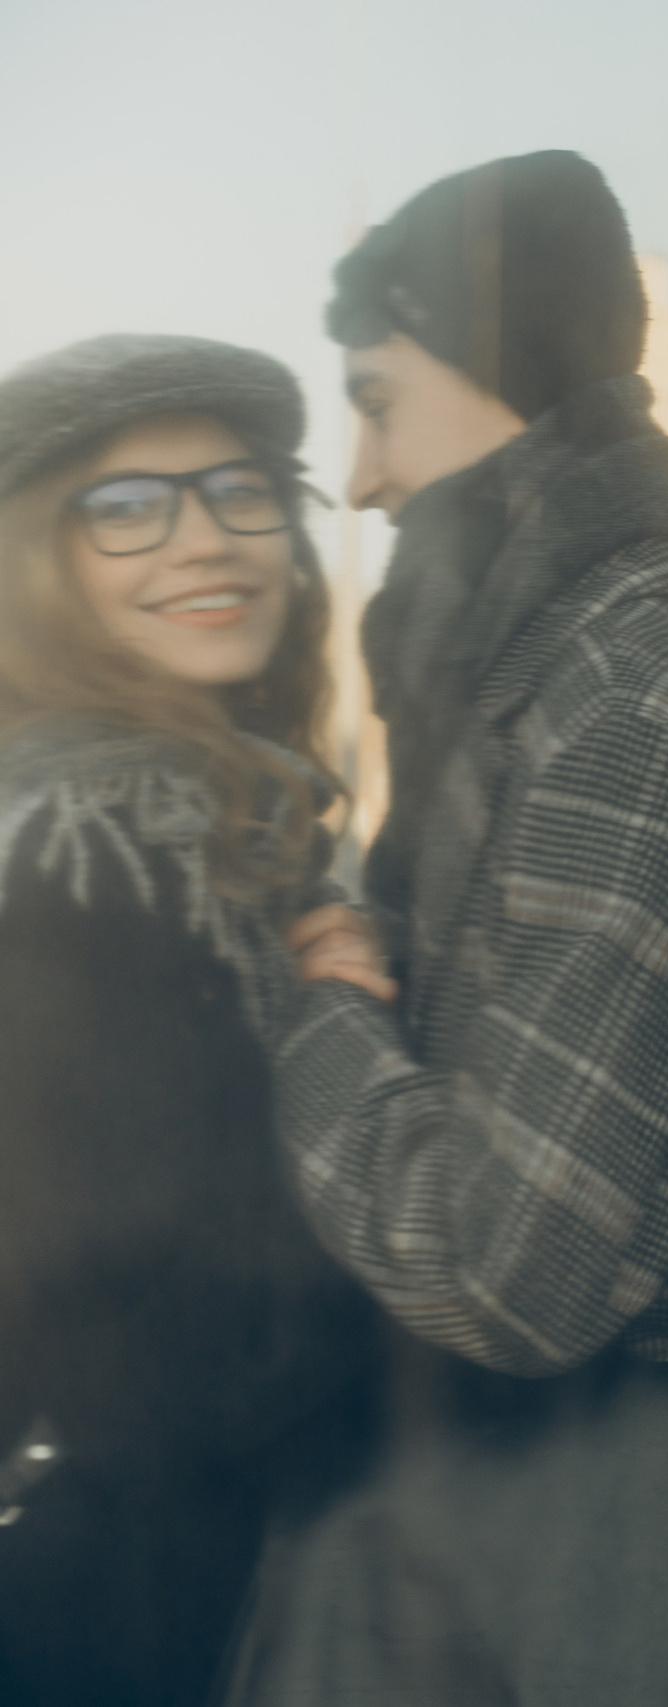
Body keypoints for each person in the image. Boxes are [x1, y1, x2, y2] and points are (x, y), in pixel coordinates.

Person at [228, 151, 668, 1703]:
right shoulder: (523, 680)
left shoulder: (619, 707)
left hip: (584, 1578)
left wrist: (325, 1006)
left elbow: (511, 1261)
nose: (359, 476)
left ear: (505, 384)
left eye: (377, 401)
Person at [0, 335, 381, 1704]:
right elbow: (167, 1354)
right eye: (126, 507)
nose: (206, 540)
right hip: (134, 1608)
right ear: (40, 562)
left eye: (240, 491)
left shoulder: (222, 820)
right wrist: (354, 1039)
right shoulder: (86, 853)